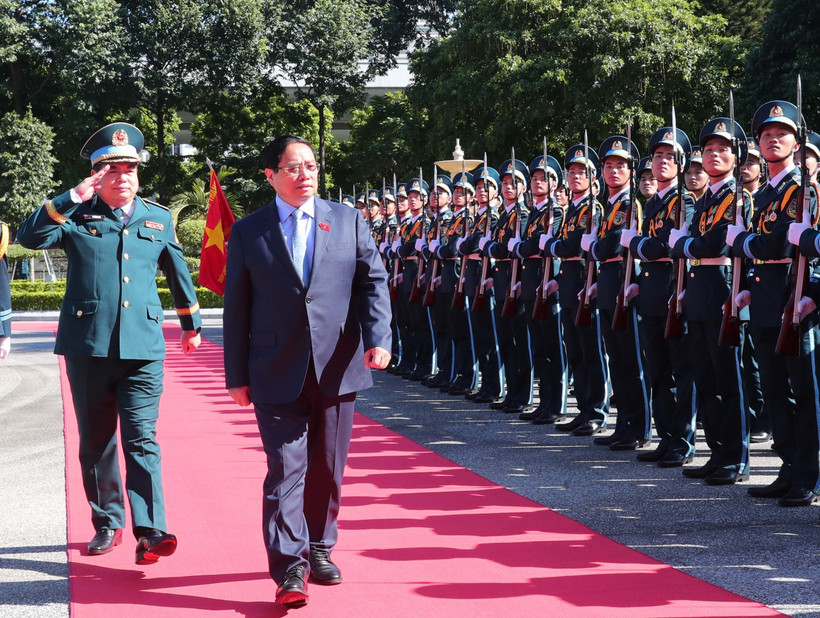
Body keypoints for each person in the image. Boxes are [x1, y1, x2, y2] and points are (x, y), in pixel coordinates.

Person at [16, 122, 202, 562]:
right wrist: (69, 198)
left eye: (130, 171)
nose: (123, 178)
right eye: (112, 172)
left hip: (143, 348)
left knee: (142, 439)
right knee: (97, 440)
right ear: (98, 176)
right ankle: (107, 522)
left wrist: (190, 324)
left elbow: (177, 270)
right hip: (88, 345)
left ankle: (152, 530)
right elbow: (28, 238)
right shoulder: (76, 214)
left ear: (139, 174)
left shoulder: (157, 217)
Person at [223, 135, 392, 607]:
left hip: (337, 364)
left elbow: (372, 281)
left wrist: (379, 339)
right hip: (275, 368)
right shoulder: (249, 231)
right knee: (284, 470)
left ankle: (320, 547)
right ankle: (288, 570)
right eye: (294, 168)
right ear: (270, 175)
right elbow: (236, 307)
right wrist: (235, 374)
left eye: (312, 166)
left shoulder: (346, 219)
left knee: (327, 468)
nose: (305, 175)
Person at [730, 102, 820, 507]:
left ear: (796, 143)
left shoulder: (802, 189)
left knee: (805, 390)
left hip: (792, 297)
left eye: (781, 134)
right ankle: (788, 464)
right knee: (776, 388)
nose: (773, 139)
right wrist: (748, 282)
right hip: (765, 299)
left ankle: (809, 471)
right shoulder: (766, 191)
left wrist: (741, 242)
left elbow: (777, 243)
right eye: (766, 134)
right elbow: (763, 249)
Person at [668, 117, 751, 486]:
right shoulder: (706, 200)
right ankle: (716, 451)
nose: (714, 155)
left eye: (723, 150)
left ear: (736, 157)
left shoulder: (738, 198)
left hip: (723, 291)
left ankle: (736, 456)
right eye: (709, 150)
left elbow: (711, 245)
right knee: (705, 378)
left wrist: (683, 246)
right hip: (701, 290)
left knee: (729, 380)